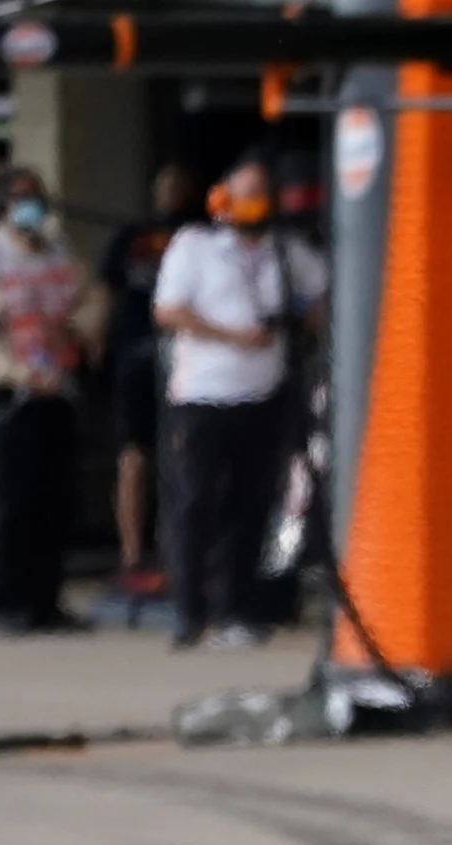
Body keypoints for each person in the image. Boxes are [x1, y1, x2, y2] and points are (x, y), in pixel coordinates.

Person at [152, 155, 327, 649]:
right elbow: (168, 310)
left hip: (264, 395)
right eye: (246, 194)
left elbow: (320, 298)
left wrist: (307, 324)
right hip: (203, 395)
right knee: (196, 505)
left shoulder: (285, 251)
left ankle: (237, 610)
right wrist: (231, 335)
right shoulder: (195, 247)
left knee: (249, 508)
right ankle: (188, 612)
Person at [0, 167, 102, 633]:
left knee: (54, 502)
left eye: (36, 198)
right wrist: (19, 374)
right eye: (20, 199)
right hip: (9, 397)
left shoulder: (58, 250)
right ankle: (8, 603)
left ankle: (45, 601)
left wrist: (77, 331)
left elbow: (92, 299)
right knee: (13, 505)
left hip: (57, 390)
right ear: (1, 206)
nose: (30, 208)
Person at [99, 163, 193, 594]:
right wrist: (98, 342)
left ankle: (177, 550)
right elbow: (106, 291)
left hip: (187, 359)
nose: (170, 192)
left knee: (181, 452)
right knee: (134, 456)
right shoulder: (132, 236)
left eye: (178, 185)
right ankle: (132, 553)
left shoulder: (198, 237)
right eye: (164, 184)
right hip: (135, 355)